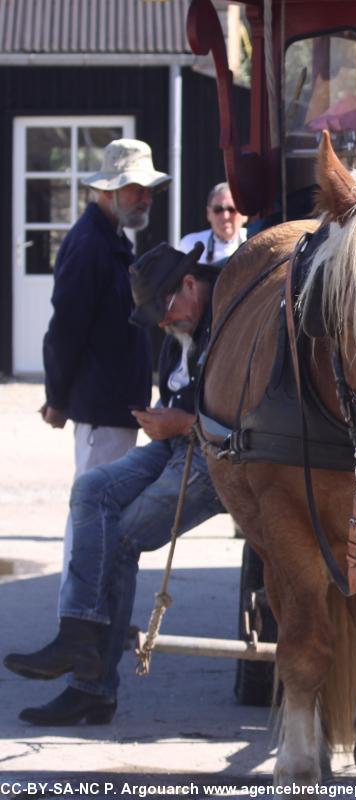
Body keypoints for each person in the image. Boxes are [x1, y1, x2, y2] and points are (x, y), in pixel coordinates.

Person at [5, 244, 226, 726]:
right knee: (90, 490)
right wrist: (167, 423)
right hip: (175, 445)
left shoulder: (231, 318)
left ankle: (93, 687)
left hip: (215, 459)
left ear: (189, 285)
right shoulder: (179, 325)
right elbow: (176, 389)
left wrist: (183, 422)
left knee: (121, 538)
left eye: (164, 312)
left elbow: (249, 421)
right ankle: (78, 634)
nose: (163, 325)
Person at [42, 138, 170, 604]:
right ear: (109, 190)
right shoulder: (91, 245)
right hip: (100, 407)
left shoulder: (111, 241)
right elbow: (64, 331)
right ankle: (79, 615)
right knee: (90, 514)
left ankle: (90, 612)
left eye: (148, 189)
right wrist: (57, 399)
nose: (145, 198)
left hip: (114, 406)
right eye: (136, 188)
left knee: (99, 511)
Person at [178, 182, 247, 264]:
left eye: (232, 209)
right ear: (208, 214)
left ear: (244, 214)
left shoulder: (254, 242)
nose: (225, 216)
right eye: (218, 209)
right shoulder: (190, 245)